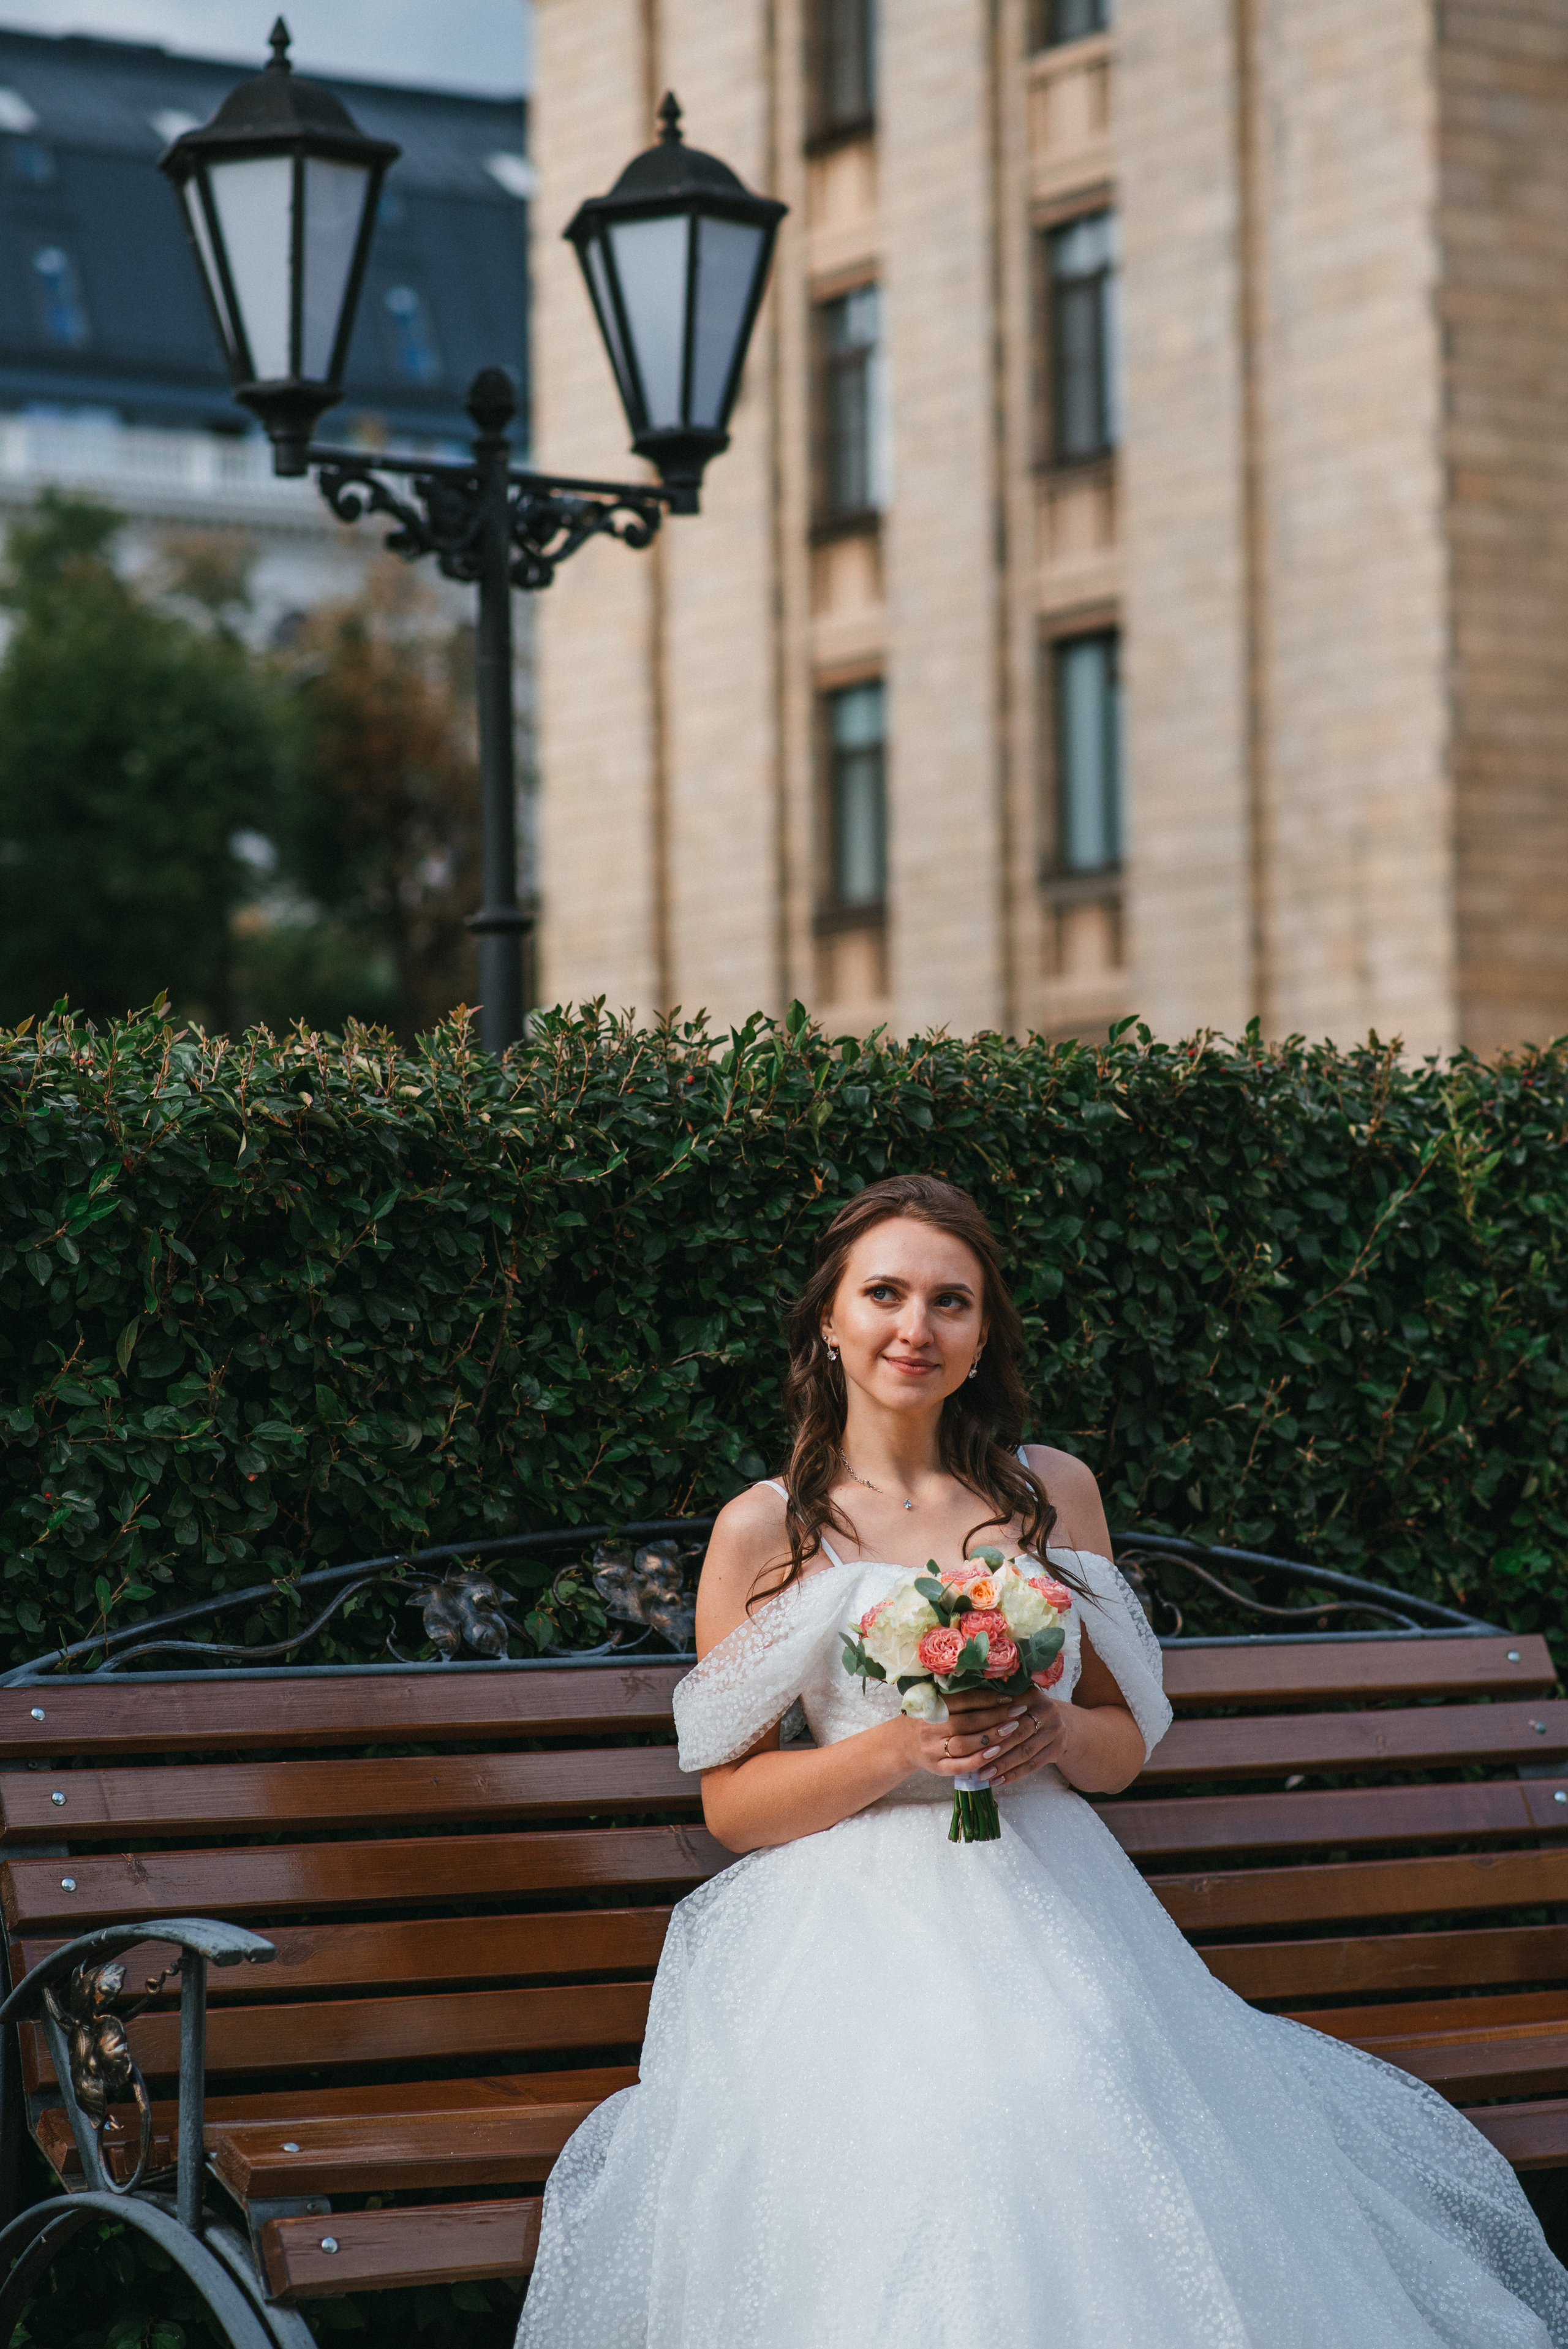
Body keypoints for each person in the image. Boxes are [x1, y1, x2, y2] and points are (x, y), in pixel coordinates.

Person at [516, 1173, 1568, 2347]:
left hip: (1060, 1896)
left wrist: (1059, 1732)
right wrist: (905, 1746)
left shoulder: (1049, 1493)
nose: (916, 1327)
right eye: (885, 1293)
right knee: (970, 2110)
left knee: (1085, 2086)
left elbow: (1122, 1748)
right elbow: (735, 1804)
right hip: (844, 1921)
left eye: (951, 1301)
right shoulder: (769, 1528)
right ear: (830, 1320)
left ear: (983, 1335)